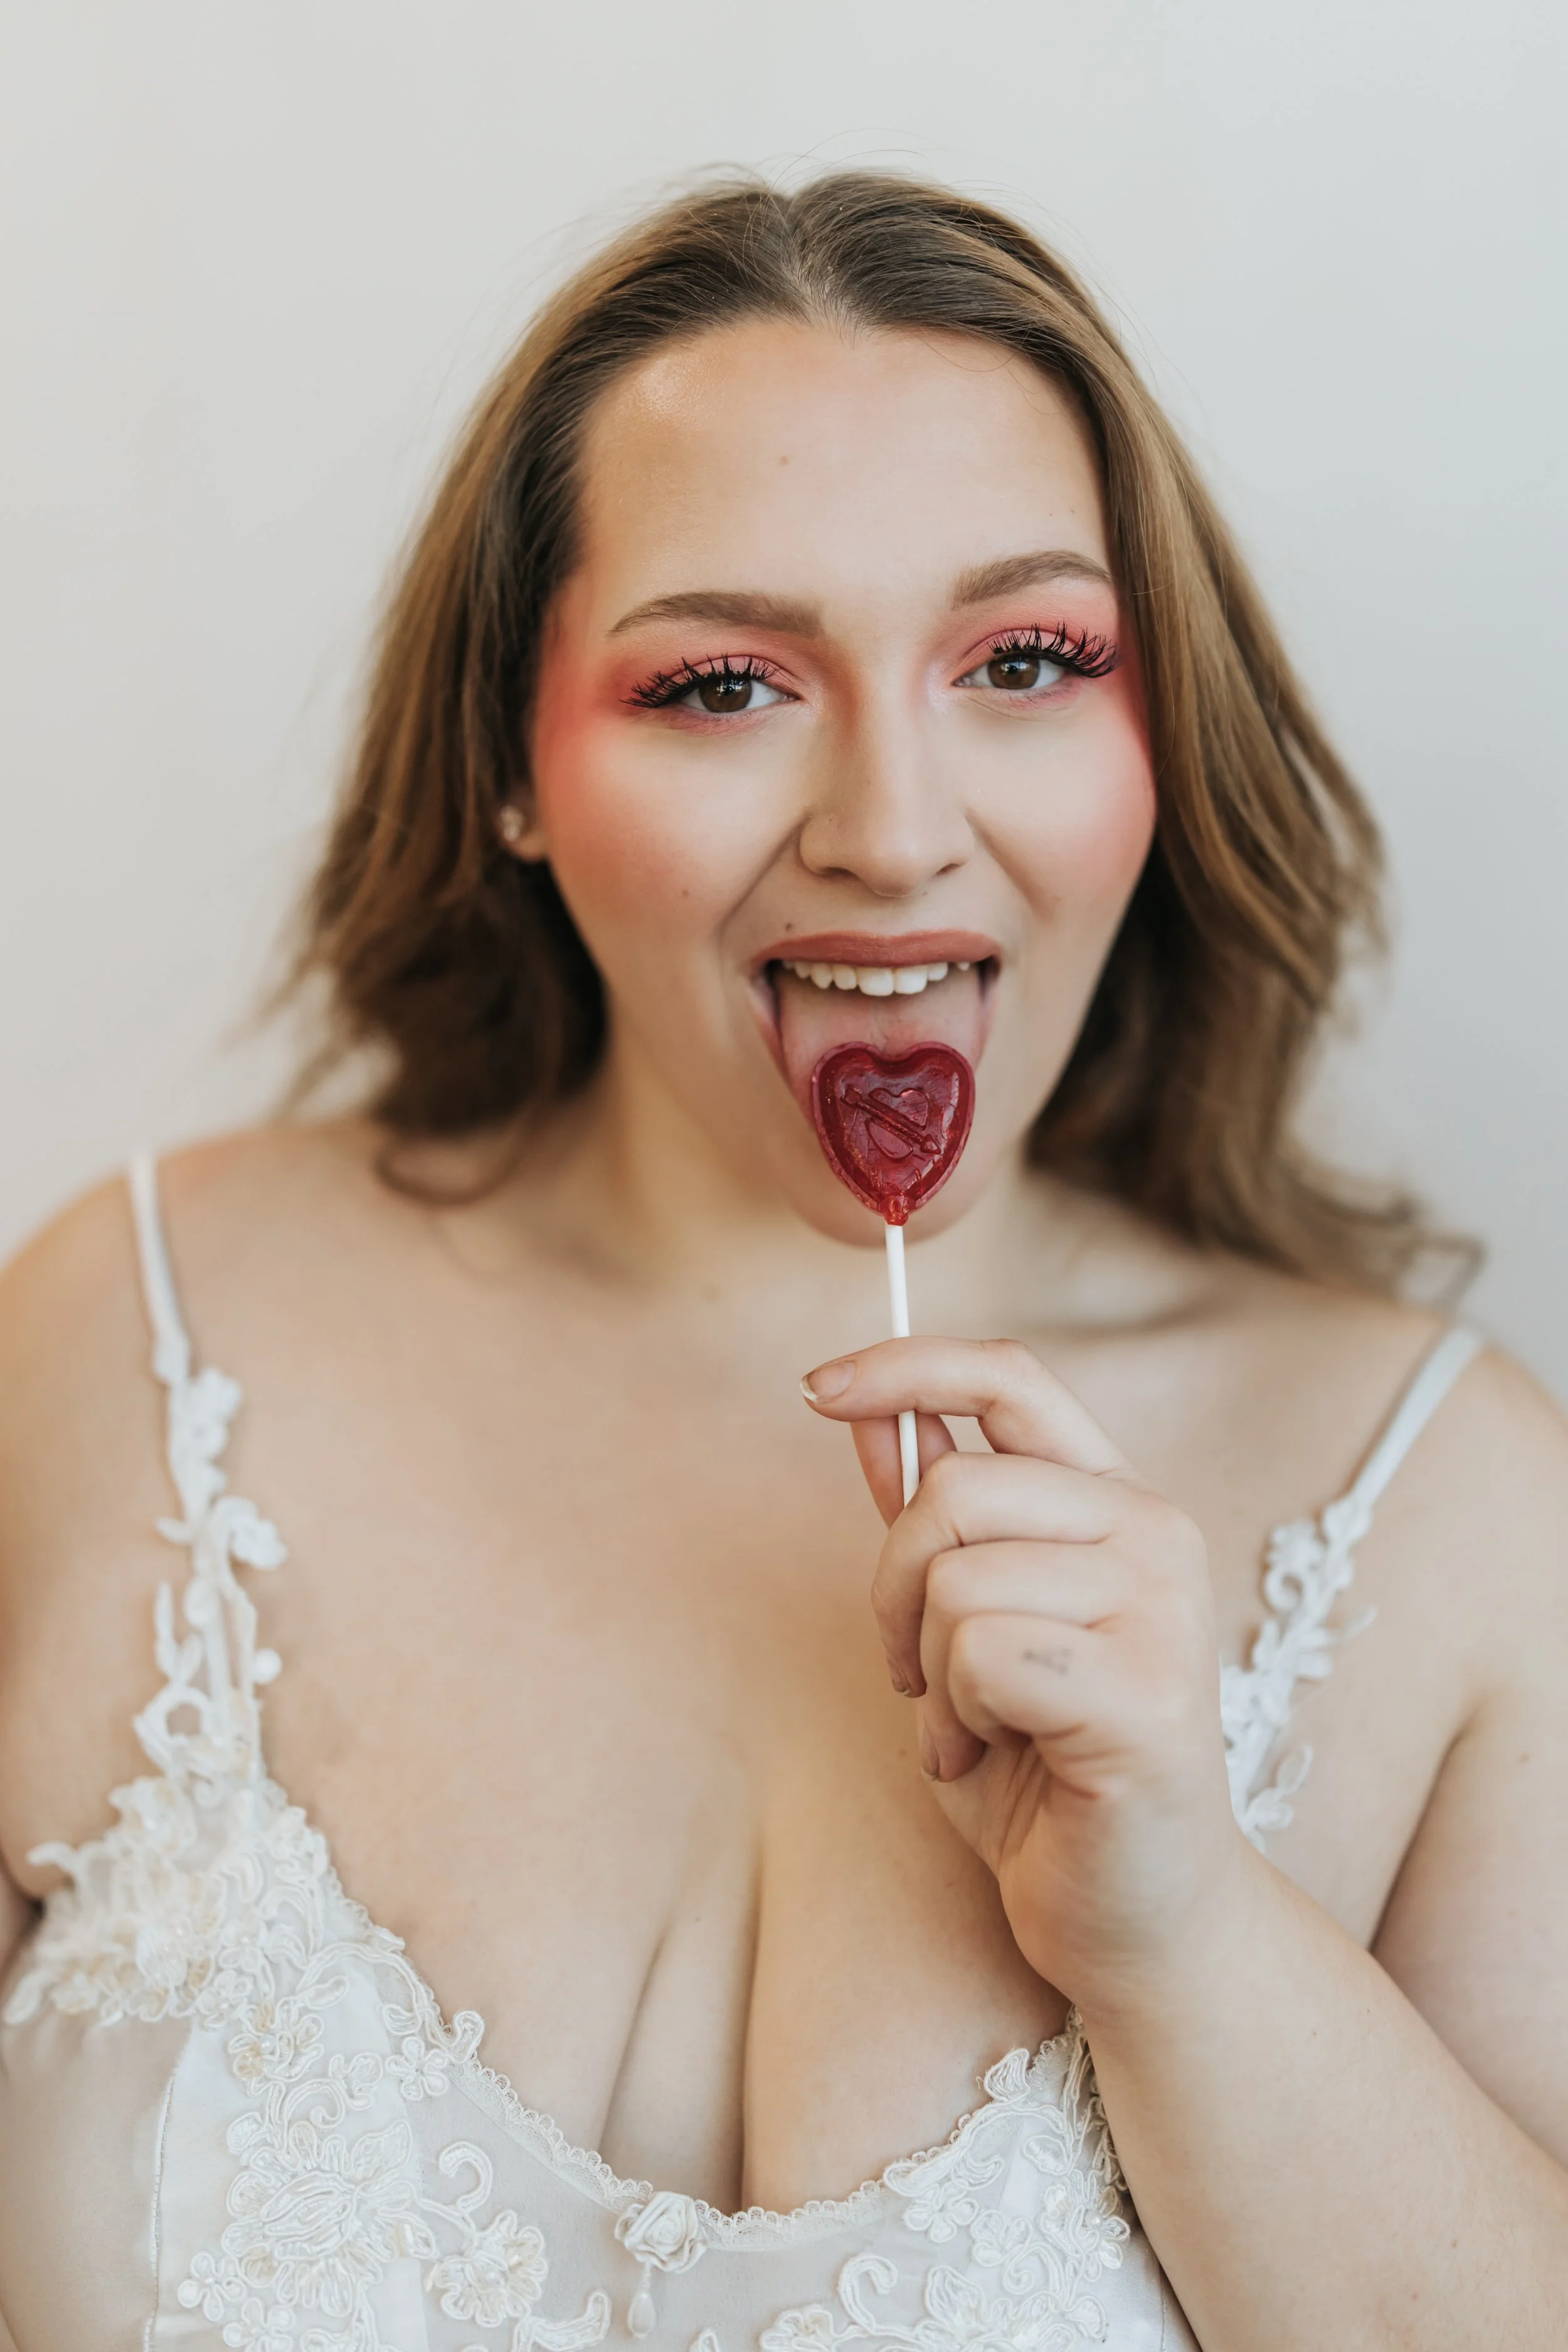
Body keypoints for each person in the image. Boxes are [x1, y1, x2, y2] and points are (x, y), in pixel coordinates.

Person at [0, 172, 1564, 2352]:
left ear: (1158, 737)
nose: (892, 827)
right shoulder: (121, 1332)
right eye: (724, 681)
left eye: (1025, 660)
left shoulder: (1457, 1504)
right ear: (510, 761)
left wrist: (1184, 1928)